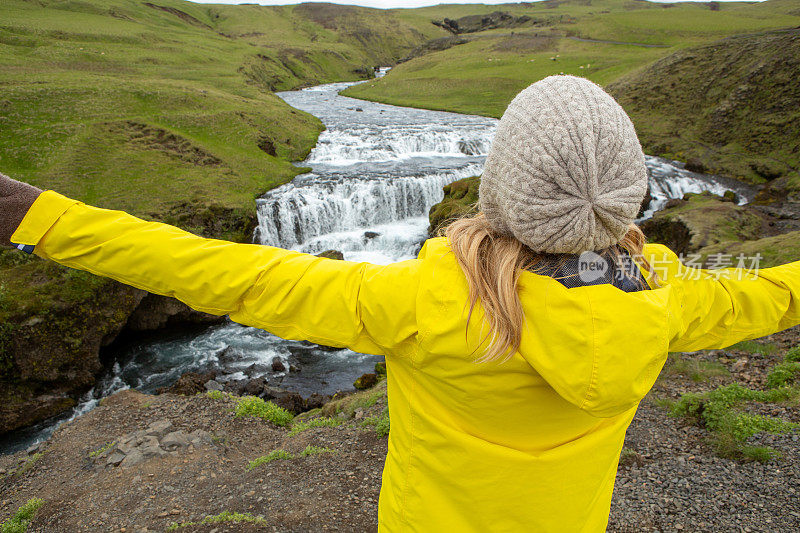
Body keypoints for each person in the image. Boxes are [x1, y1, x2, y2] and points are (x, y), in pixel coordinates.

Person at [1, 75, 798, 532]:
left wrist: (44, 217)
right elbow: (767, 294)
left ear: (503, 189)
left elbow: (221, 273)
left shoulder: (419, 300)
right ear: (626, 201)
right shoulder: (667, 297)